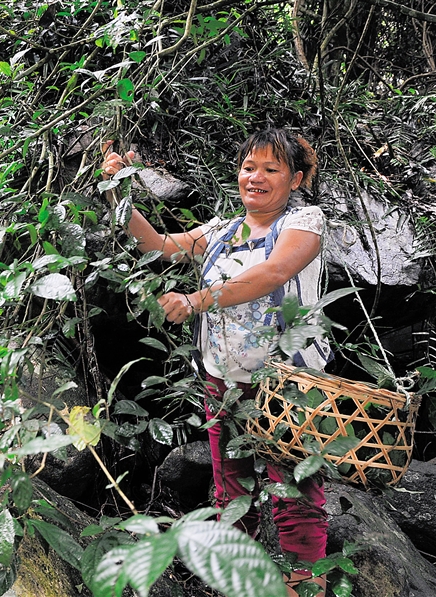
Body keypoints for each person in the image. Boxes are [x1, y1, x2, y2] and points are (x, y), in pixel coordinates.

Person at [101, 129, 329, 597]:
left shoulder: (305, 221)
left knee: (296, 488)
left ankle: (303, 585)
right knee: (231, 486)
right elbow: (158, 245)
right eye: (249, 167)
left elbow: (273, 272)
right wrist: (119, 192)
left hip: (288, 382)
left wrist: (198, 298)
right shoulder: (223, 230)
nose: (256, 177)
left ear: (297, 179)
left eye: (271, 169)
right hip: (223, 379)